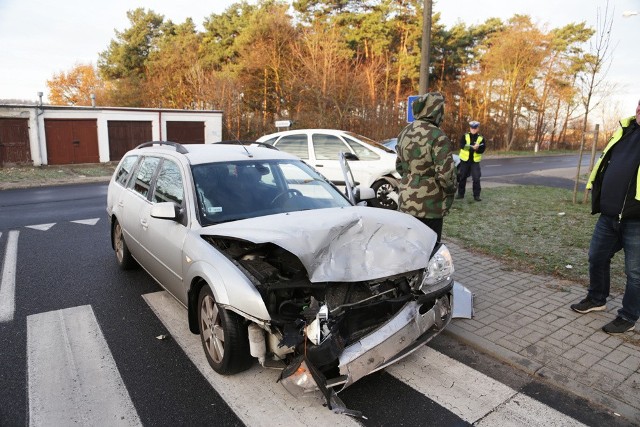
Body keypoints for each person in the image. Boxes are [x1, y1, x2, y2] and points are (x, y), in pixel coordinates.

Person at [570, 98, 640, 334]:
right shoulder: (624, 131)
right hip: (609, 215)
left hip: (636, 220)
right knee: (596, 257)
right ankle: (597, 299)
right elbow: (605, 161)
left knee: (635, 273)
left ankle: (628, 316)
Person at [395, 92, 457, 242]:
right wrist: (451, 191)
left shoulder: (404, 132)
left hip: (405, 201)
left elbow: (399, 166)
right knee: (429, 249)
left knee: (408, 247)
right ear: (436, 111)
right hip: (430, 206)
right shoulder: (438, 136)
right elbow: (446, 176)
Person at [456, 121, 486, 201]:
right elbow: (461, 145)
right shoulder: (465, 136)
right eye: (472, 128)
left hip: (474, 162)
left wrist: (477, 149)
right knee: (462, 177)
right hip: (464, 160)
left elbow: (482, 149)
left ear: (478, 129)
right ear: (470, 128)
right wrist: (471, 148)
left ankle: (476, 196)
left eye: (475, 128)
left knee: (476, 178)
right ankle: (460, 194)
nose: (473, 129)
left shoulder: (481, 138)